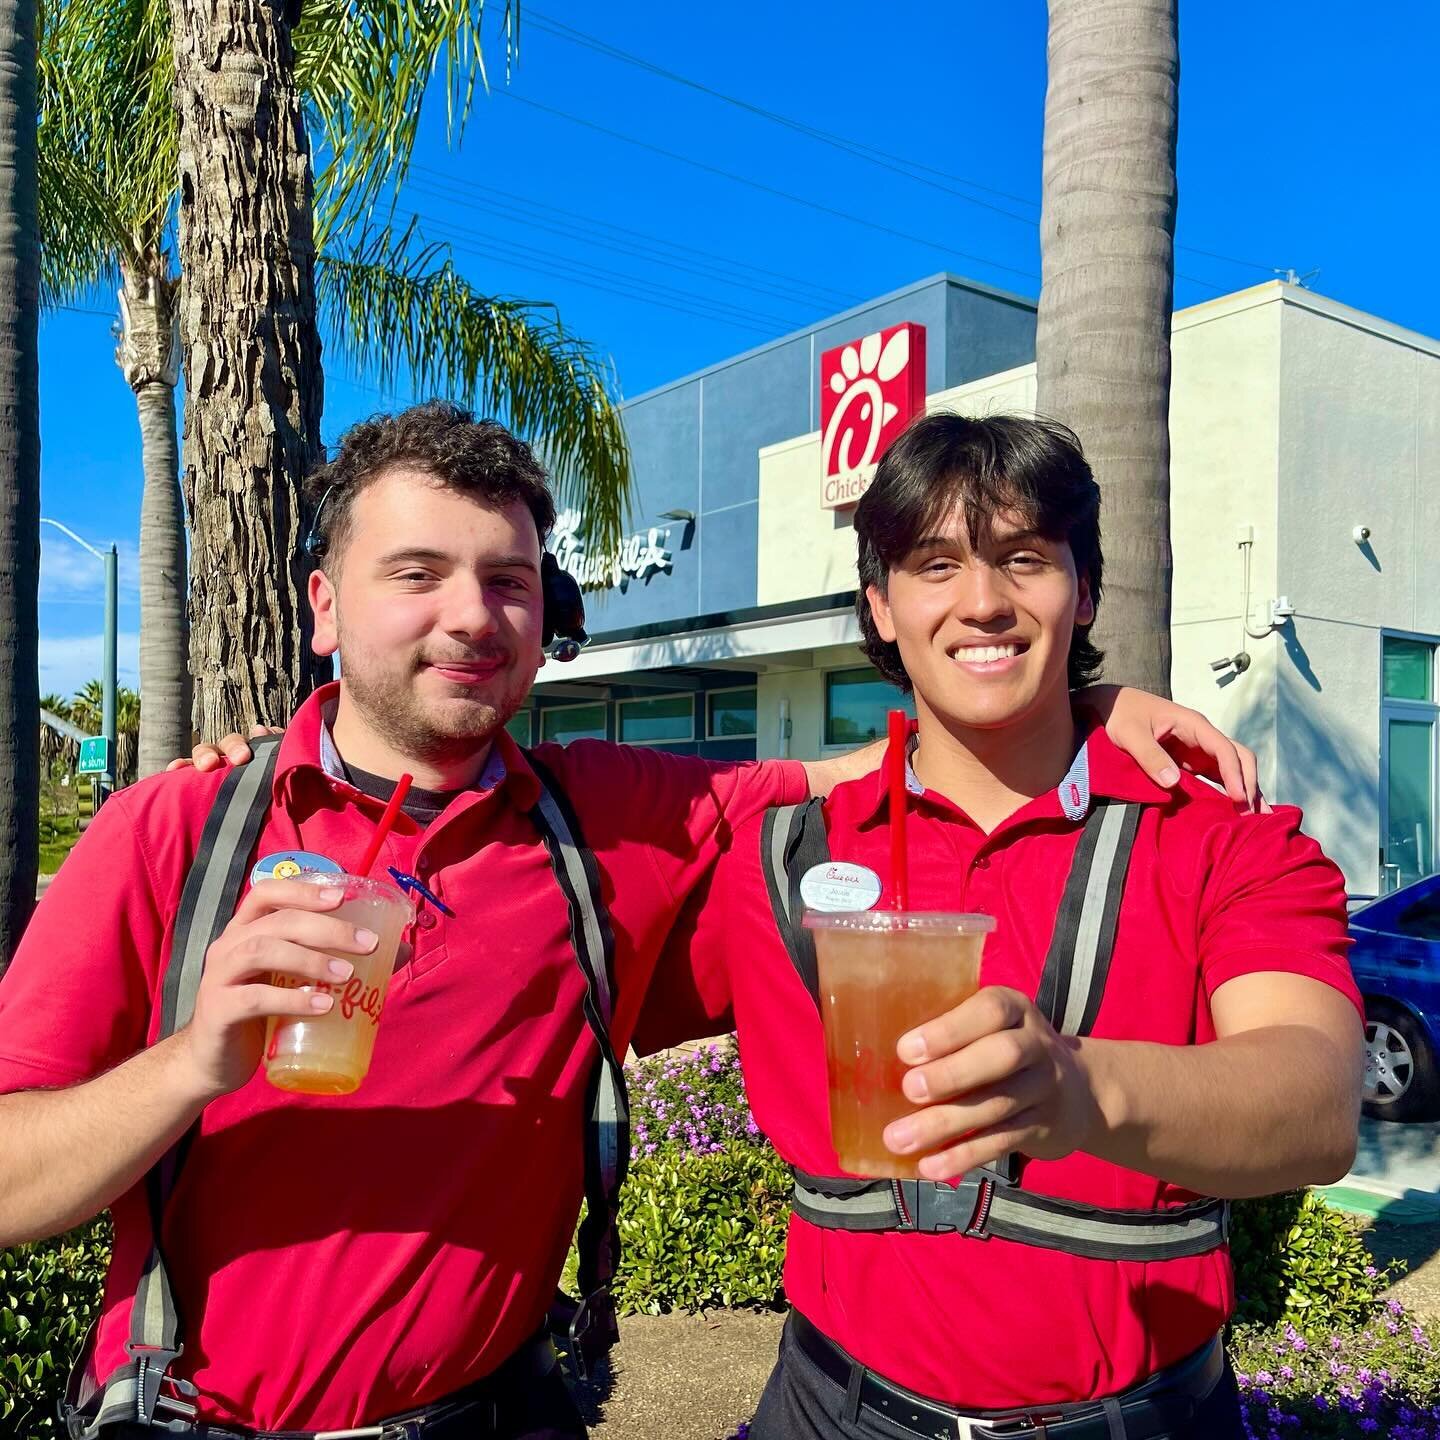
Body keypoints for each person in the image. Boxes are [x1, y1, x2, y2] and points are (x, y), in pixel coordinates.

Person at [0, 401, 1258, 1440]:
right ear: (324, 606)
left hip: (504, 1418)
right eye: (416, 575)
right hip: (197, 1418)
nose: (468, 616)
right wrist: (192, 1063)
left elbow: (867, 767)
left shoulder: (605, 821)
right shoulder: (175, 835)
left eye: (506, 581)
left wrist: (1085, 707)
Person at [647, 413, 1364, 1440]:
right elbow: (541, 978)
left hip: (1139, 1419)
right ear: (881, 607)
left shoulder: (1221, 842)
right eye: (936, 565)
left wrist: (1080, 1086)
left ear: (1084, 594)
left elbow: (1315, 1103)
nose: (983, 602)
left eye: (1024, 559)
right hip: (830, 1411)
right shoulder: (775, 857)